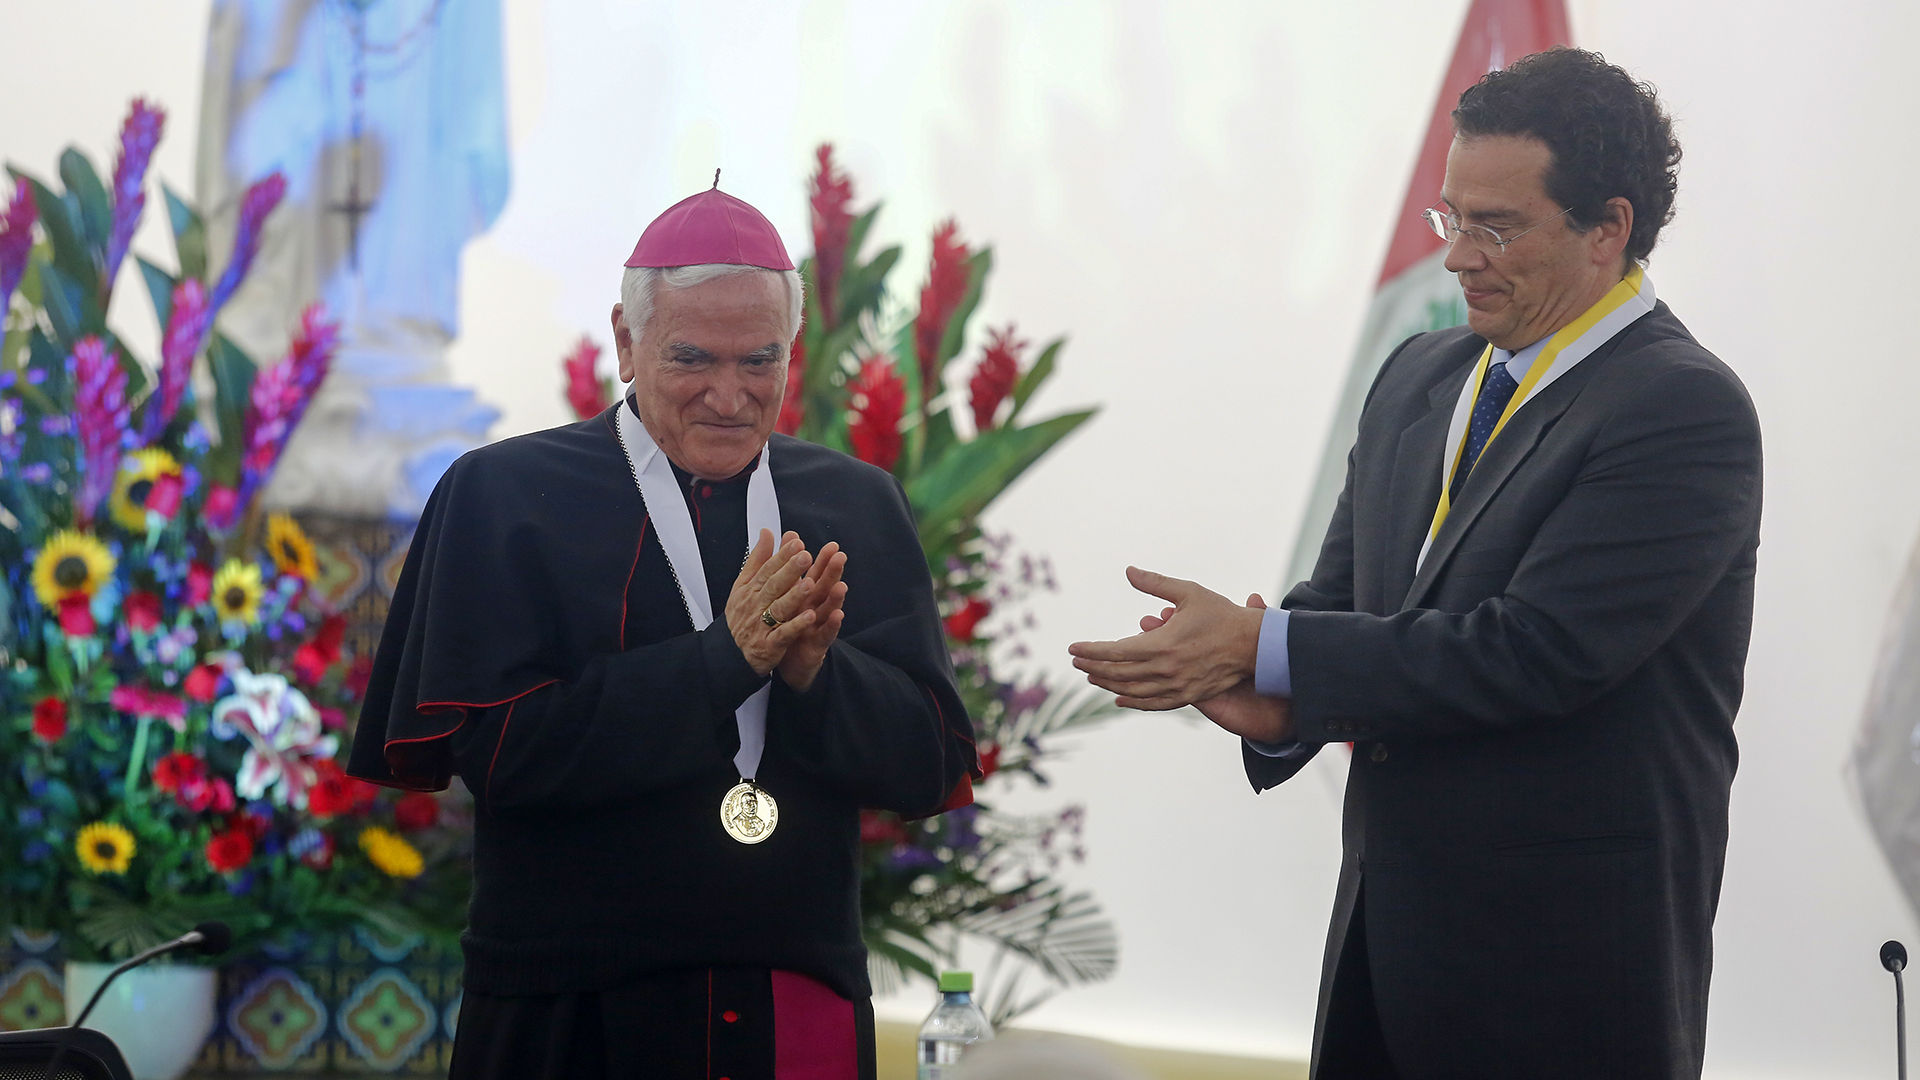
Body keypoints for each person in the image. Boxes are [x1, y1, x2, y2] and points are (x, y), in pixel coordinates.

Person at [1069, 48, 1760, 1079]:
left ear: (1608, 228)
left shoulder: (1680, 407)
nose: (1458, 258)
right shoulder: (1418, 375)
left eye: (1498, 227)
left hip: (1564, 982)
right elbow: (1342, 602)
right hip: (1383, 957)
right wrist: (1273, 699)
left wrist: (1269, 648)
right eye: (1451, 218)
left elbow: (1532, 653)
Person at [348, 182, 979, 1079]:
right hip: (570, 1000)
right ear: (625, 341)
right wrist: (724, 662)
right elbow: (502, 758)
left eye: (759, 361)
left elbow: (925, 763)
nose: (730, 396)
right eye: (693, 359)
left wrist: (816, 673)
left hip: (792, 983)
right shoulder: (503, 495)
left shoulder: (857, 503)